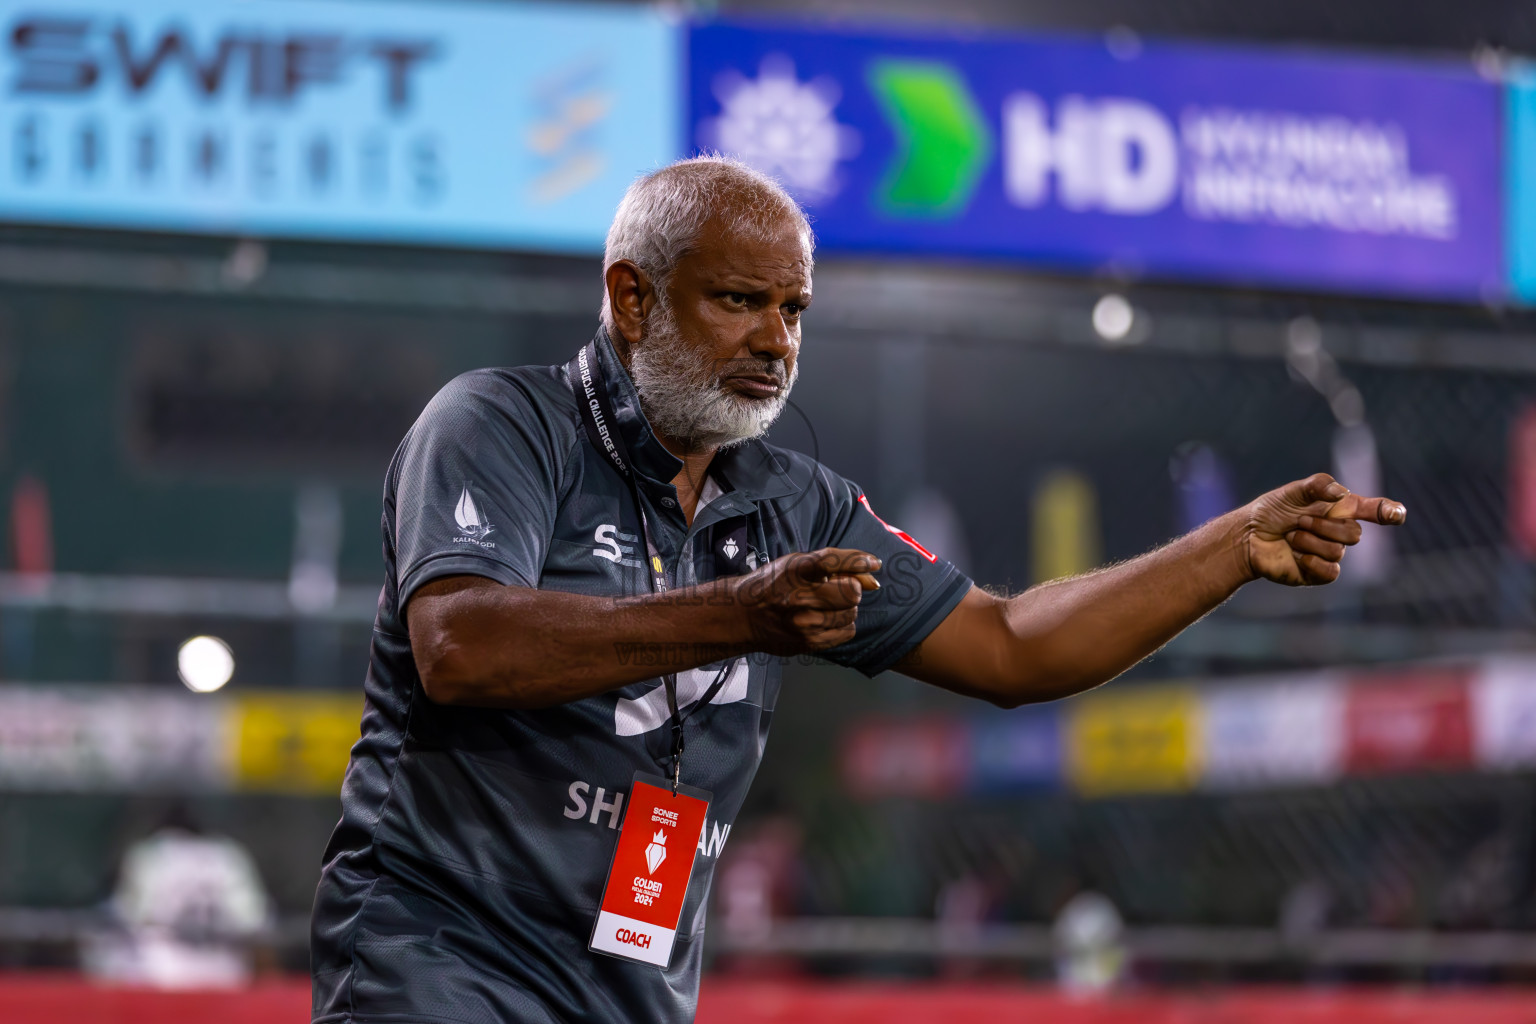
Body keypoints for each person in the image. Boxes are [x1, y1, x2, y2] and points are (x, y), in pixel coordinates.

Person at [310, 156, 1405, 1023]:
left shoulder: (799, 503)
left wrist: (1229, 546)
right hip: (436, 958)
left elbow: (1013, 645)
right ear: (632, 298)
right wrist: (739, 616)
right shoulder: (500, 425)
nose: (776, 343)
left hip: (626, 985)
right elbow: (463, 646)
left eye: (794, 310)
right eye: (741, 301)